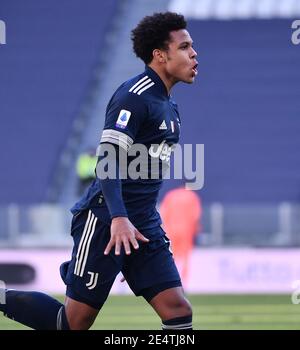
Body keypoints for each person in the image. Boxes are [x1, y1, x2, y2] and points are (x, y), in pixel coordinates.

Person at [0, 12, 198, 330]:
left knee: (177, 310)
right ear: (160, 55)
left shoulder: (169, 105)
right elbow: (108, 160)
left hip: (143, 223)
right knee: (74, 323)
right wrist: (119, 218)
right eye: (185, 46)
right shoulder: (134, 97)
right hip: (107, 219)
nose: (194, 53)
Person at [160, 187, 202, 285]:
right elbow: (196, 215)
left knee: (170, 257)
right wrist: (196, 230)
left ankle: (169, 283)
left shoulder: (171, 195)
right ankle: (183, 284)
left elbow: (163, 213)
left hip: (171, 230)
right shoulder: (192, 196)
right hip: (186, 231)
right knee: (185, 258)